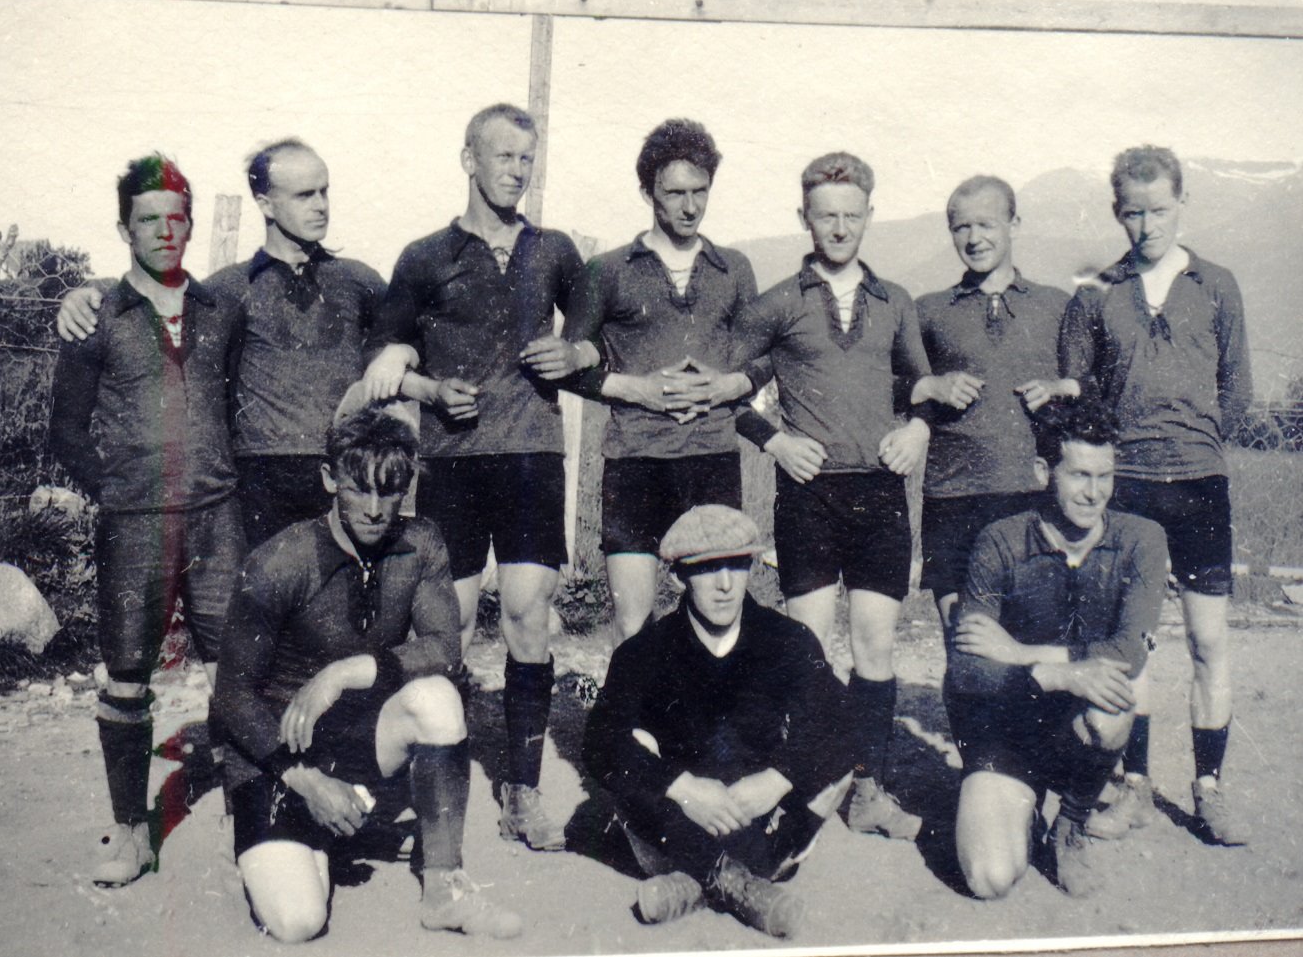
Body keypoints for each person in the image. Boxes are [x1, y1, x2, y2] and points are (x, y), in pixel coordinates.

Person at [360, 103, 588, 852]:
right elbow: (385, 356)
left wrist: (574, 354)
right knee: (448, 626)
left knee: (527, 615)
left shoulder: (554, 250)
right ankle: (441, 785)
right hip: (452, 461)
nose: (517, 171)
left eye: (527, 159)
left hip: (531, 455)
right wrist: (429, 390)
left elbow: (594, 337)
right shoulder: (425, 256)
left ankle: (523, 791)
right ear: (469, 160)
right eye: (504, 156)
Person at [211, 405, 522, 943]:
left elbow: (445, 648)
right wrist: (306, 781)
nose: (376, 510)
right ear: (330, 478)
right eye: (360, 489)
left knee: (438, 697)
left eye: (390, 490)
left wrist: (347, 671)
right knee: (298, 923)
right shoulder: (280, 561)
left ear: (407, 486)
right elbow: (232, 697)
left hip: (355, 740)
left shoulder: (420, 543)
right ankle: (288, 837)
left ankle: (443, 889)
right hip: (280, 757)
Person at [49, 154, 246, 886]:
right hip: (135, 522)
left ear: (190, 225)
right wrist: (117, 490)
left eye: (176, 218)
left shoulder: (222, 310)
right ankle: (133, 830)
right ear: (124, 229)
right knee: (128, 673)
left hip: (218, 516)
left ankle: (251, 821)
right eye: (148, 220)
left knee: (237, 667)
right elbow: (66, 431)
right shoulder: (98, 316)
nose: (164, 232)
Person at [726, 151, 932, 841]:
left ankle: (868, 788)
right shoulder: (778, 302)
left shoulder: (895, 301)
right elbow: (726, 388)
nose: (839, 228)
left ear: (869, 216)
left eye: (852, 215)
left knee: (874, 647)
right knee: (806, 650)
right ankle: (805, 785)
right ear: (804, 218)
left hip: (879, 492)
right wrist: (775, 442)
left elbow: (919, 386)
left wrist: (918, 430)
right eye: (826, 216)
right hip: (807, 494)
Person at [57, 138, 388, 547]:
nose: (321, 205)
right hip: (261, 479)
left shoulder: (357, 280)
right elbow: (157, 294)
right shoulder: (229, 288)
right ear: (266, 204)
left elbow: (408, 330)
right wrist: (88, 291)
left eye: (324, 191)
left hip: (346, 468)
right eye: (305, 195)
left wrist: (396, 355)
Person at [1060, 145, 1252, 845]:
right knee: (1131, 641)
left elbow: (1237, 390)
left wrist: (1195, 445)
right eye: (1133, 213)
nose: (1147, 226)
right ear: (1118, 212)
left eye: (1160, 210)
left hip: (1200, 487)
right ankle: (1135, 785)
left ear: (1182, 204)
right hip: (1130, 488)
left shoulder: (1217, 284)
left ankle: (1209, 789)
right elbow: (1076, 389)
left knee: (1207, 640)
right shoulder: (1098, 290)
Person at [582, 504, 853, 939]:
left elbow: (842, 722)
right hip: (678, 823)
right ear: (678, 576)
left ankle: (695, 885)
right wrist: (683, 788)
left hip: (761, 814)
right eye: (707, 569)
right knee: (632, 745)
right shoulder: (645, 651)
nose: (726, 585)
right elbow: (597, 743)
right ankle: (739, 883)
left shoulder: (785, 639)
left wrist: (778, 779)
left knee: (835, 754)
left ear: (751, 567)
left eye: (737, 565)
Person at [945, 399, 1167, 898]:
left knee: (1115, 696)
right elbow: (966, 670)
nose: (1094, 493)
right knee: (989, 878)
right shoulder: (999, 540)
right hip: (1006, 727)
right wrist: (1057, 673)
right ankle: (1021, 808)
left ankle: (1070, 823)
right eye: (1079, 475)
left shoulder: (1142, 539)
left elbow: (1130, 651)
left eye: (1105, 476)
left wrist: (1022, 653)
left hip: (1075, 724)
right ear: (1044, 472)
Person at [558, 118, 760, 643]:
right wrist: (637, 389)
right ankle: (634, 702)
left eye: (700, 191)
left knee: (719, 619)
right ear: (648, 192)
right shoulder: (607, 270)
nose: (690, 207)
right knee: (633, 624)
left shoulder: (734, 269)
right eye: (675, 193)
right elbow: (567, 366)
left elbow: (762, 360)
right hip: (636, 461)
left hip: (712, 458)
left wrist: (730, 386)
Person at [914, 176, 1072, 635]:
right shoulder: (930, 310)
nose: (974, 238)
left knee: (1030, 633)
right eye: (961, 227)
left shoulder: (1056, 306)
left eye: (986, 224)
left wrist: (1059, 387)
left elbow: (1093, 383)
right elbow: (889, 381)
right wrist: (932, 385)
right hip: (952, 495)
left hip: (1031, 492)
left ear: (1014, 224)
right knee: (963, 635)